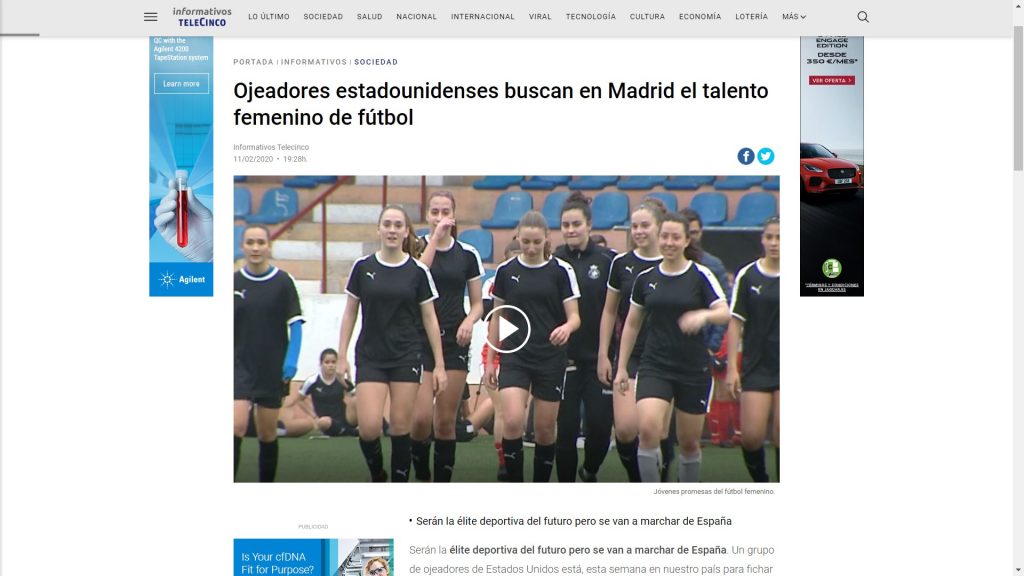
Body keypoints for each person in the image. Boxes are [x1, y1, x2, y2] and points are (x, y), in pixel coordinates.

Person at [614, 212, 730, 482]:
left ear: (686, 240)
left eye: (675, 237)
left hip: (693, 369)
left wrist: (704, 316)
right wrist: (621, 367)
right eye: (664, 236)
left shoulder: (700, 275)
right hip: (655, 365)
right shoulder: (646, 278)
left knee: (689, 443)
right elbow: (631, 324)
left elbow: (724, 312)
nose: (668, 242)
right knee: (648, 429)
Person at [338, 205, 448, 482]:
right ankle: (378, 473)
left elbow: (430, 319)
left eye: (398, 225)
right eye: (387, 224)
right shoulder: (363, 267)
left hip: (407, 356)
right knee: (369, 428)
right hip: (371, 356)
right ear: (378, 229)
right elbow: (350, 312)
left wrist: (440, 365)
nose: (392, 229)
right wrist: (342, 356)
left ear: (406, 231)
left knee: (400, 426)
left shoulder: (418, 271)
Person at [484, 211, 581, 482]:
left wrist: (566, 327)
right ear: (518, 238)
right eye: (525, 241)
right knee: (513, 420)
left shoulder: (561, 271)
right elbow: (497, 317)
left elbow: (575, 317)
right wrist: (492, 359)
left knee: (545, 430)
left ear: (547, 238)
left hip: (550, 358)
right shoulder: (506, 271)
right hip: (515, 355)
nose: (531, 247)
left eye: (536, 242)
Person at [410, 191, 485, 482]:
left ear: (454, 216)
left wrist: (469, 320)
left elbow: (478, 303)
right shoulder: (416, 247)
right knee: (419, 421)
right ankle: (421, 473)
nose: (440, 217)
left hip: (455, 341)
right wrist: (434, 241)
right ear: (428, 215)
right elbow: (416, 276)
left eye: (446, 212)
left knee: (444, 421)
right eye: (435, 212)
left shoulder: (467, 254)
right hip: (419, 340)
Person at [597, 199, 666, 482]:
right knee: (625, 430)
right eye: (634, 226)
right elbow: (610, 311)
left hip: (665, 356)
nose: (638, 231)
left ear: (658, 227)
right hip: (630, 355)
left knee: (658, 432)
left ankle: (661, 484)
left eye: (645, 225)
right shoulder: (621, 264)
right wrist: (604, 354)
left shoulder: (671, 263)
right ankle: (638, 481)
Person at [552, 191, 616, 482]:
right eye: (565, 225)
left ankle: (589, 470)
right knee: (565, 429)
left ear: (589, 225)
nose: (571, 230)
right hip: (562, 360)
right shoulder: (553, 261)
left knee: (600, 427)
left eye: (576, 223)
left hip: (599, 359)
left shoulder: (607, 260)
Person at [233, 224, 304, 482]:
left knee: (267, 433)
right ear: (242, 246)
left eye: (260, 242)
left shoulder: (283, 282)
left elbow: (295, 325)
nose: (255, 247)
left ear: (269, 246)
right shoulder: (233, 282)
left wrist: (291, 363)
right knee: (236, 426)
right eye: (250, 242)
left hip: (272, 368)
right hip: (239, 366)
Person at [726, 216, 780, 482]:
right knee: (751, 438)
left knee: (783, 435)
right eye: (770, 237)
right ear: (762, 239)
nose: (774, 243)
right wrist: (731, 369)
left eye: (780, 237)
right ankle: (762, 484)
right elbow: (735, 323)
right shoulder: (748, 275)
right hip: (756, 365)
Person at [481, 239, 521, 480]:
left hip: (527, 354)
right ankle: (502, 463)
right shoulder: (492, 283)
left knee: (520, 415)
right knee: (502, 412)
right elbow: (491, 317)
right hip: (497, 352)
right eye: (511, 258)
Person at [296, 348, 358, 437]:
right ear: (321, 364)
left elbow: (358, 397)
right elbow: (299, 400)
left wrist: (349, 376)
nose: (330, 365)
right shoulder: (312, 381)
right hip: (327, 421)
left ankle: (381, 426)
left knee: (357, 400)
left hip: (345, 418)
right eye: (327, 362)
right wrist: (314, 417)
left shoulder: (341, 380)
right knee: (323, 422)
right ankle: (351, 432)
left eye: (333, 362)